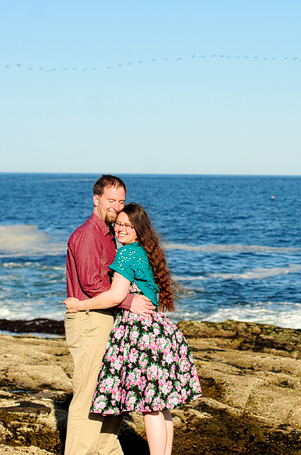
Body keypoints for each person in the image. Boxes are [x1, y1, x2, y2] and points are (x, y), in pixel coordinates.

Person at [65, 203, 202, 455]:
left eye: (128, 225)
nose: (121, 229)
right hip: (159, 332)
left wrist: (80, 305)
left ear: (139, 229)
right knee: (161, 406)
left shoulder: (127, 254)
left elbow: (114, 296)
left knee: (150, 406)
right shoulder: (146, 250)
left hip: (142, 335)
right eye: (118, 224)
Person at [65, 175, 155, 455]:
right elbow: (92, 284)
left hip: (108, 317)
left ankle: (105, 450)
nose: (116, 206)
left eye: (120, 201)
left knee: (111, 392)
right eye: (110, 200)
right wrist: (130, 301)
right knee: (89, 395)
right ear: (96, 199)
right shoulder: (88, 235)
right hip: (91, 319)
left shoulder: (112, 235)